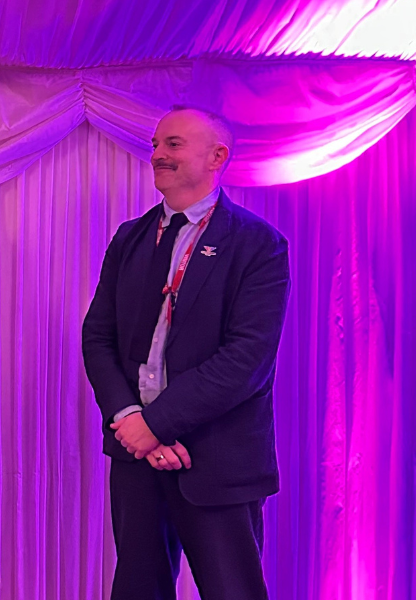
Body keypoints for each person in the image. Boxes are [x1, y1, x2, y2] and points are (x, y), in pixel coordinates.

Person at [82, 105, 290, 599]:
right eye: (156, 144)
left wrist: (156, 425)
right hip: (135, 455)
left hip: (219, 459)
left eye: (173, 144)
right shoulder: (130, 237)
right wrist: (132, 420)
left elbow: (246, 361)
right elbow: (98, 337)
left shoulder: (258, 244)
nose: (158, 154)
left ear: (217, 156)